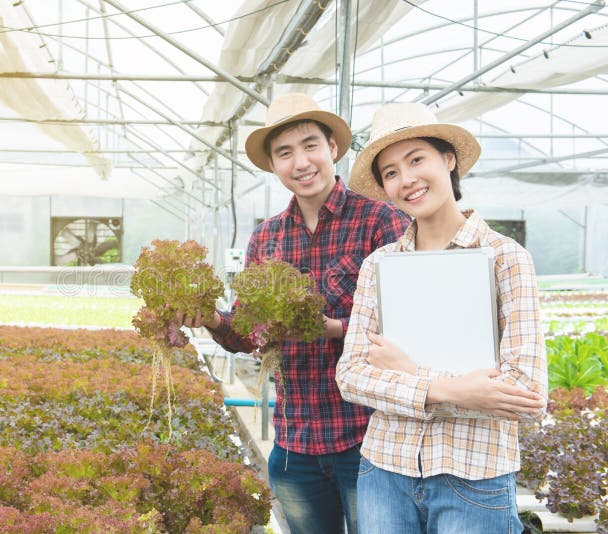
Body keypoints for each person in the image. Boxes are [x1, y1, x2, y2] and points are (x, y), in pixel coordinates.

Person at [179, 93, 410, 534]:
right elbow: (245, 335)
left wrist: (332, 328)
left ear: (333, 149)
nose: (301, 162)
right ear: (272, 165)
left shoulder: (380, 221)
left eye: (310, 146)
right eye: (285, 153)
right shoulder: (265, 238)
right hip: (294, 442)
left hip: (366, 440)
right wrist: (210, 317)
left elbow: (405, 326)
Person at [336, 102, 547, 533]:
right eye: (391, 172)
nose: (406, 179)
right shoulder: (379, 265)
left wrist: (409, 374)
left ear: (448, 159)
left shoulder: (505, 259)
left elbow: (525, 394)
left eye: (416, 159)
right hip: (385, 469)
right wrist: (455, 388)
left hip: (475, 475)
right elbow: (351, 375)